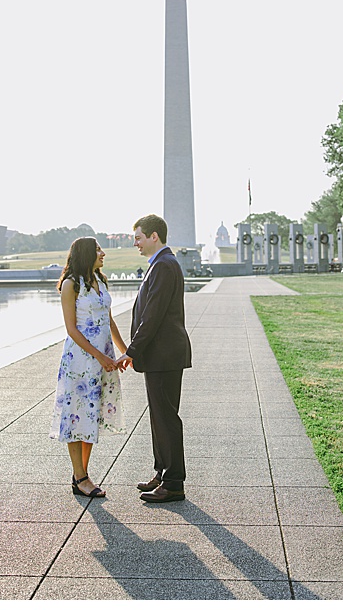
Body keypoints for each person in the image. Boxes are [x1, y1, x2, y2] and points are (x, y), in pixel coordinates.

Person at [50, 236, 129, 497]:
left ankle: (80, 475)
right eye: (97, 249)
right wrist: (99, 356)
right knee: (76, 414)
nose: (103, 253)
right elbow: (71, 329)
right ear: (86, 253)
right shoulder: (71, 285)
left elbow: (109, 322)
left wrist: (124, 351)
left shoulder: (101, 282)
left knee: (91, 414)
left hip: (102, 357)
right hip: (81, 360)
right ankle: (82, 477)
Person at [127, 214, 192, 503]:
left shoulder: (164, 266)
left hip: (164, 354)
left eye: (139, 237)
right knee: (159, 417)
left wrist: (132, 350)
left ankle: (174, 482)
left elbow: (151, 316)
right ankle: (162, 472)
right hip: (161, 355)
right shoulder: (162, 264)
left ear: (155, 236)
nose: (136, 243)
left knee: (166, 418)